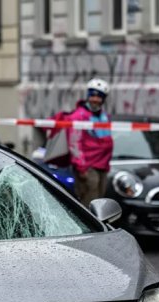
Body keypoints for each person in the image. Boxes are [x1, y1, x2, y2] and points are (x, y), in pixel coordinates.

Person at [48, 78, 114, 207]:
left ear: (104, 98)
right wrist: (82, 167)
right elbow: (74, 144)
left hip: (102, 166)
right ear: (88, 95)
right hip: (88, 168)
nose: (95, 99)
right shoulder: (79, 116)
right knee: (90, 205)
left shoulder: (104, 116)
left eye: (99, 96)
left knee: (100, 204)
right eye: (92, 95)